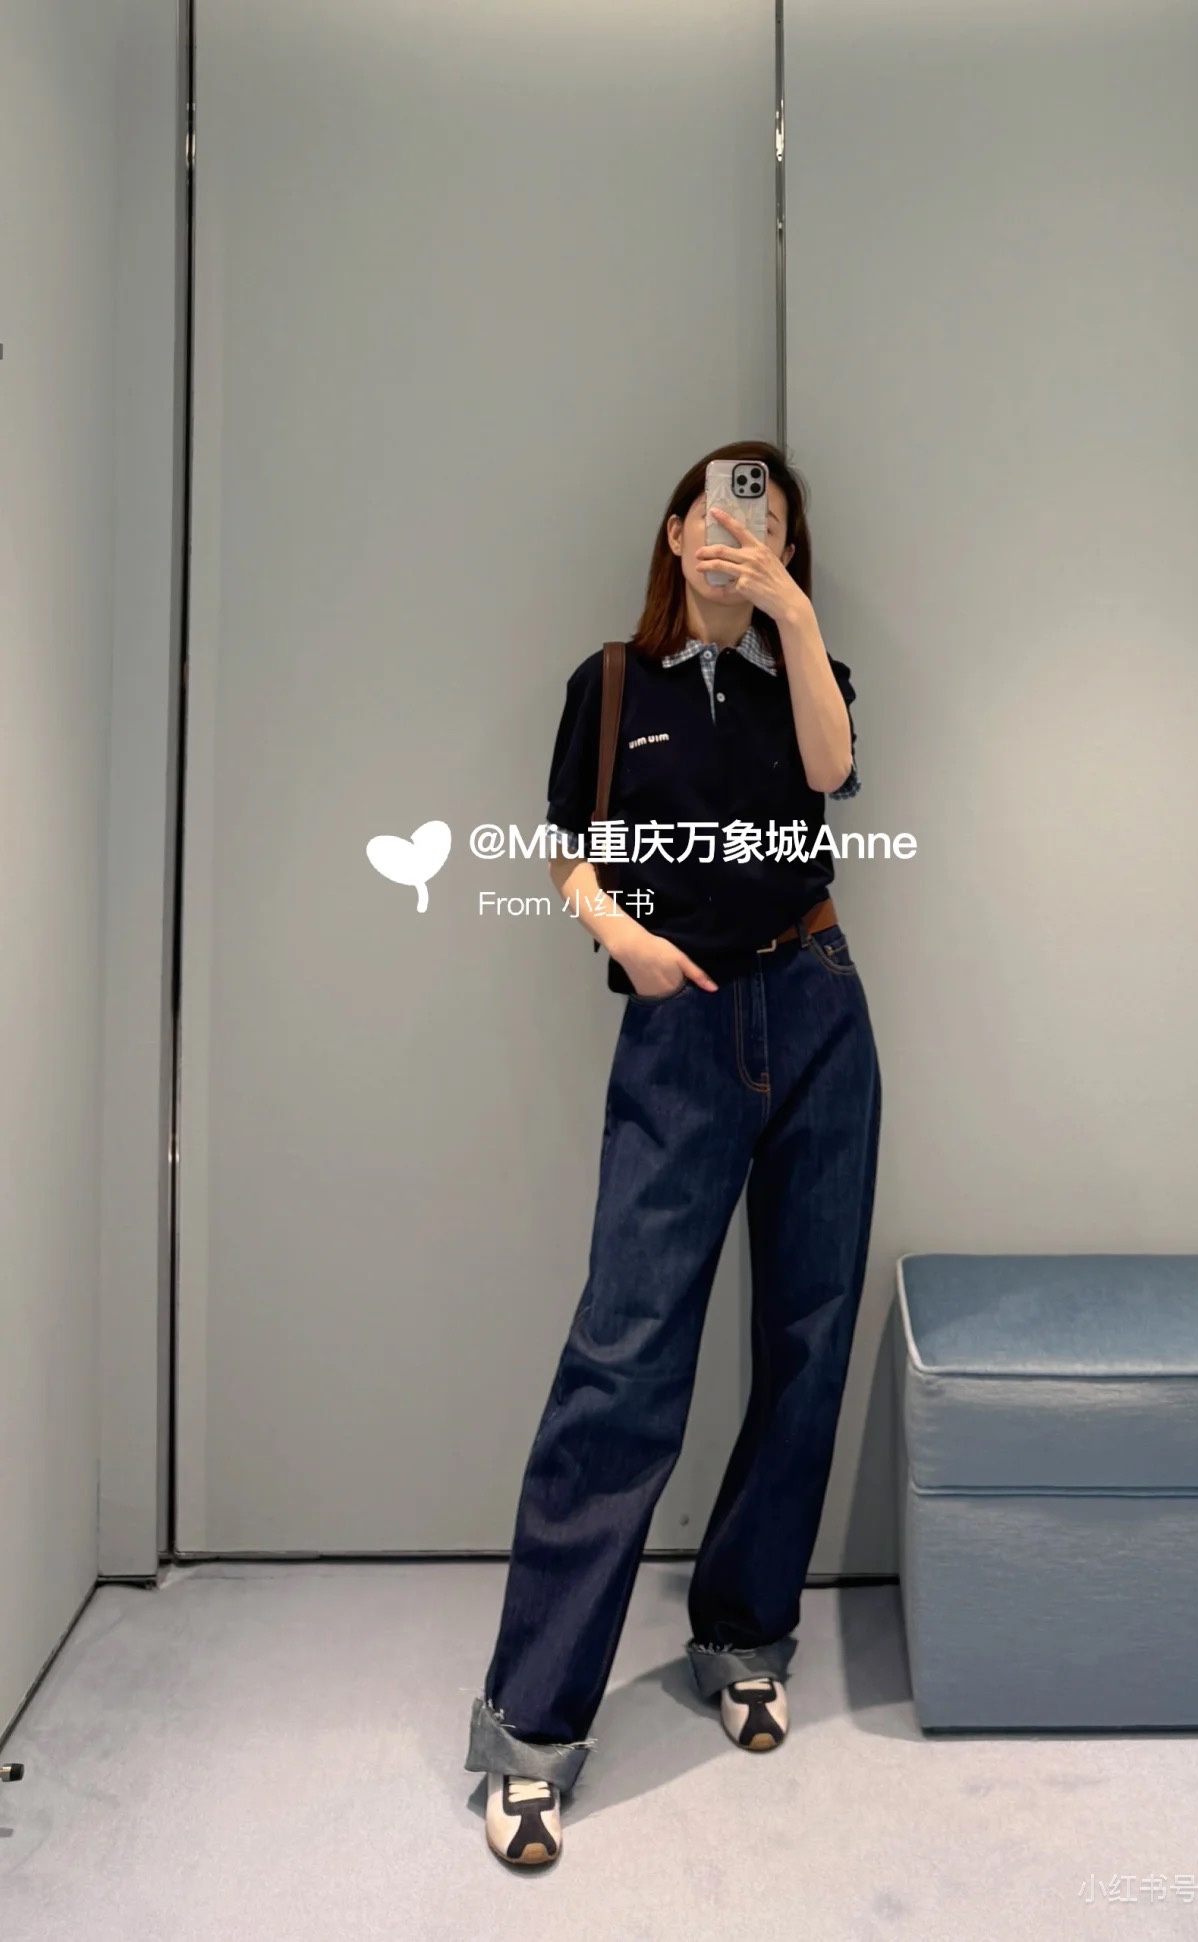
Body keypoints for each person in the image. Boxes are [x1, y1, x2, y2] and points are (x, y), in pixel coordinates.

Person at [466, 440, 883, 1867]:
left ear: (784, 546)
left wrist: (793, 616)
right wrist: (623, 937)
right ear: (672, 531)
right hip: (681, 1026)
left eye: (762, 517)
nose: (732, 528)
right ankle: (531, 1724)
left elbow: (832, 771)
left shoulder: (802, 674)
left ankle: (745, 1636)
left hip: (817, 1006)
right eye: (713, 507)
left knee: (809, 1335)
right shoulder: (613, 684)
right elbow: (566, 844)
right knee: (626, 1357)